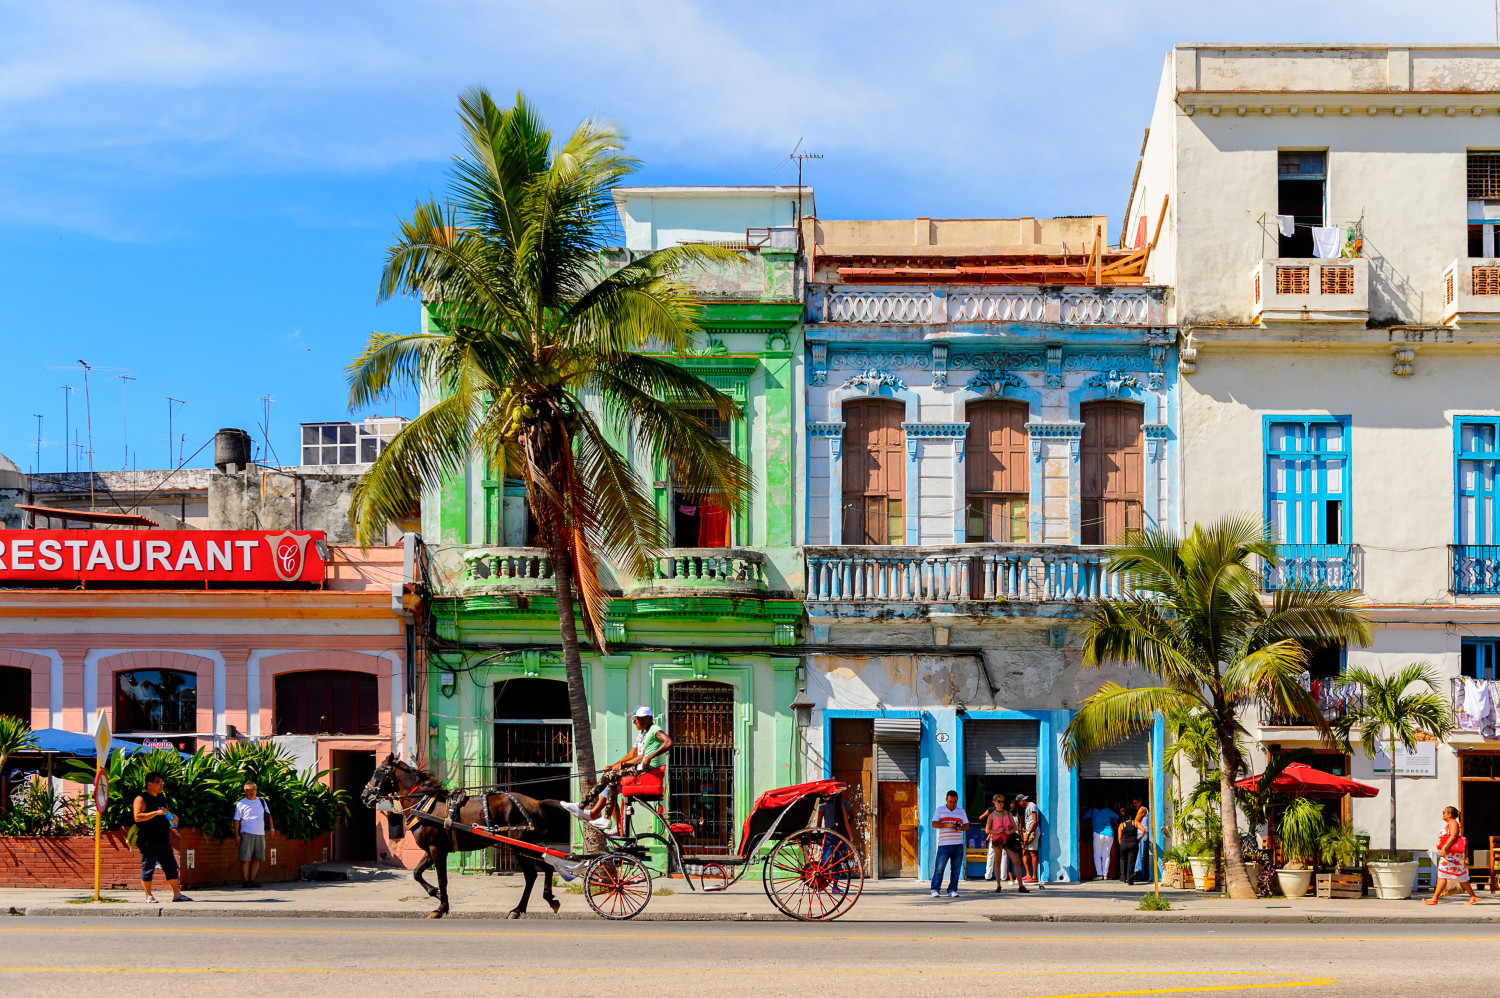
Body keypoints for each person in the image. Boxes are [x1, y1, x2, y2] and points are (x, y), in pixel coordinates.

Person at [562, 705, 673, 835]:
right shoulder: (643, 733)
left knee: (609, 777)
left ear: (647, 718)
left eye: (637, 719)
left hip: (645, 770)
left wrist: (650, 756)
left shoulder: (655, 730)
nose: (634, 722)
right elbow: (633, 755)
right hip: (640, 767)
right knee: (611, 779)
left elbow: (669, 742)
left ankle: (582, 807)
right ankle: (606, 818)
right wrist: (615, 765)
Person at [133, 772, 189, 903]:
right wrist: (155, 813)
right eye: (159, 783)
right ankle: (148, 896)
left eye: (162, 783)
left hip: (163, 838)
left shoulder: (161, 798)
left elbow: (165, 814)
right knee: (148, 867)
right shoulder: (141, 798)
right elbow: (137, 817)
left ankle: (177, 894)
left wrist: (173, 818)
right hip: (148, 839)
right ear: (150, 783)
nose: (161, 785)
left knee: (171, 866)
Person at [1427, 805, 1480, 906]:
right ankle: (1473, 897)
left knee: (1445, 876)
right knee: (1457, 876)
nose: (1443, 814)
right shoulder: (1452, 823)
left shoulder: (1452, 822)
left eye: (1444, 812)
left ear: (1450, 815)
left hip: (1451, 856)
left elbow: (1454, 835)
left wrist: (1444, 847)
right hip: (1451, 856)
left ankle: (1435, 899)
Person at [233, 781, 275, 888]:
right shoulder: (241, 803)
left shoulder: (262, 801)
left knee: (257, 858)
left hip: (260, 833)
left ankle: (252, 880)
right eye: (249, 790)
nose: (251, 792)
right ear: (245, 791)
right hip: (246, 833)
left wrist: (272, 828)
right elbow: (236, 820)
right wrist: (236, 834)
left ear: (256, 790)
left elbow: (268, 815)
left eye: (253, 789)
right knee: (245, 859)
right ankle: (245, 881)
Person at [929, 789, 968, 897]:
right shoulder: (940, 810)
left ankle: (952, 890)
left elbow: (967, 826)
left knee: (956, 870)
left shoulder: (961, 811)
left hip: (958, 844)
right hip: (944, 844)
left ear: (957, 801)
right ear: (946, 799)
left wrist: (960, 827)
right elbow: (934, 823)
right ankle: (935, 889)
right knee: (939, 868)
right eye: (950, 801)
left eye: (954, 801)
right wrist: (947, 825)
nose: (952, 804)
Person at [974, 794, 1014, 889]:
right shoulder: (997, 812)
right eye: (999, 801)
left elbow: (981, 817)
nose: (1000, 803)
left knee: (993, 856)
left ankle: (989, 875)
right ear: (995, 802)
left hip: (996, 835)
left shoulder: (991, 810)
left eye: (1002, 801)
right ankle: (1002, 876)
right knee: (1000, 856)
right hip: (997, 835)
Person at [1083, 799, 1117, 881]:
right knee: (1106, 855)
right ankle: (1105, 875)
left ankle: (1099, 874)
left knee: (1097, 855)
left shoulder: (1093, 811)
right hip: (1109, 834)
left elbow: (1083, 817)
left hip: (1098, 834)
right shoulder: (1108, 811)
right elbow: (1117, 817)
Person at [1017, 793, 1042, 887]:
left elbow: (1035, 821)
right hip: (1028, 832)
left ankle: (1034, 876)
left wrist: (1028, 834)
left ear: (1022, 801)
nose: (1019, 805)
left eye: (1019, 803)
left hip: (1033, 832)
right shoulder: (1027, 807)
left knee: (1033, 852)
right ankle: (1028, 874)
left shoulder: (1032, 806)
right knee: (1026, 852)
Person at [1117, 800, 1140, 885]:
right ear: (1130, 816)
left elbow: (1119, 837)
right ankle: (1130, 880)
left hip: (1124, 844)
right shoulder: (1135, 823)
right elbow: (1144, 830)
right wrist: (1139, 839)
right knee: (1131, 861)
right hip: (1133, 844)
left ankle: (1123, 878)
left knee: (1123, 860)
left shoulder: (1121, 825)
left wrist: (1121, 843)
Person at [1134, 800, 1153, 882]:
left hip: (1142, 833)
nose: (1134, 805)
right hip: (1142, 833)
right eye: (1133, 803)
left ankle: (1137, 871)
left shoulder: (1142, 809)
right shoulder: (1141, 809)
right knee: (1141, 853)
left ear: (1140, 802)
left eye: (1136, 803)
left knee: (1140, 853)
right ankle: (1141, 875)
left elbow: (1135, 821)